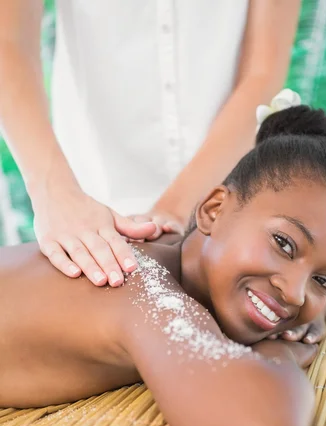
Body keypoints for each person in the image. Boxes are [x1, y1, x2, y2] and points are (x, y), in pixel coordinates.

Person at [0, 104, 326, 426]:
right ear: (214, 210)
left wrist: (316, 306)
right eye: (284, 244)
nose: (294, 293)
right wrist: (280, 351)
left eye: (321, 281)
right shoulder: (139, 287)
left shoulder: (182, 253)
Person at [0, 0, 301, 287]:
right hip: (85, 203)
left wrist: (174, 212)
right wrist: (55, 195)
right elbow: (9, 43)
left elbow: (262, 71)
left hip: (224, 203)